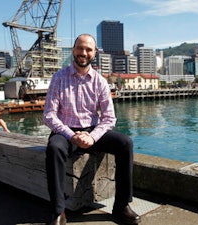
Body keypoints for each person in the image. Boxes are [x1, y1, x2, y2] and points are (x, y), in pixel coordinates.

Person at [43, 34, 141, 225]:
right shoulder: (58, 78)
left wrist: (92, 137)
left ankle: (121, 206)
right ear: (73, 50)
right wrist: (72, 136)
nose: (84, 53)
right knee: (54, 148)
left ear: (94, 53)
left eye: (88, 49)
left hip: (92, 130)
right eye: (80, 48)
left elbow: (109, 118)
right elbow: (49, 115)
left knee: (125, 143)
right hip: (65, 130)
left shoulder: (100, 81)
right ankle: (58, 212)